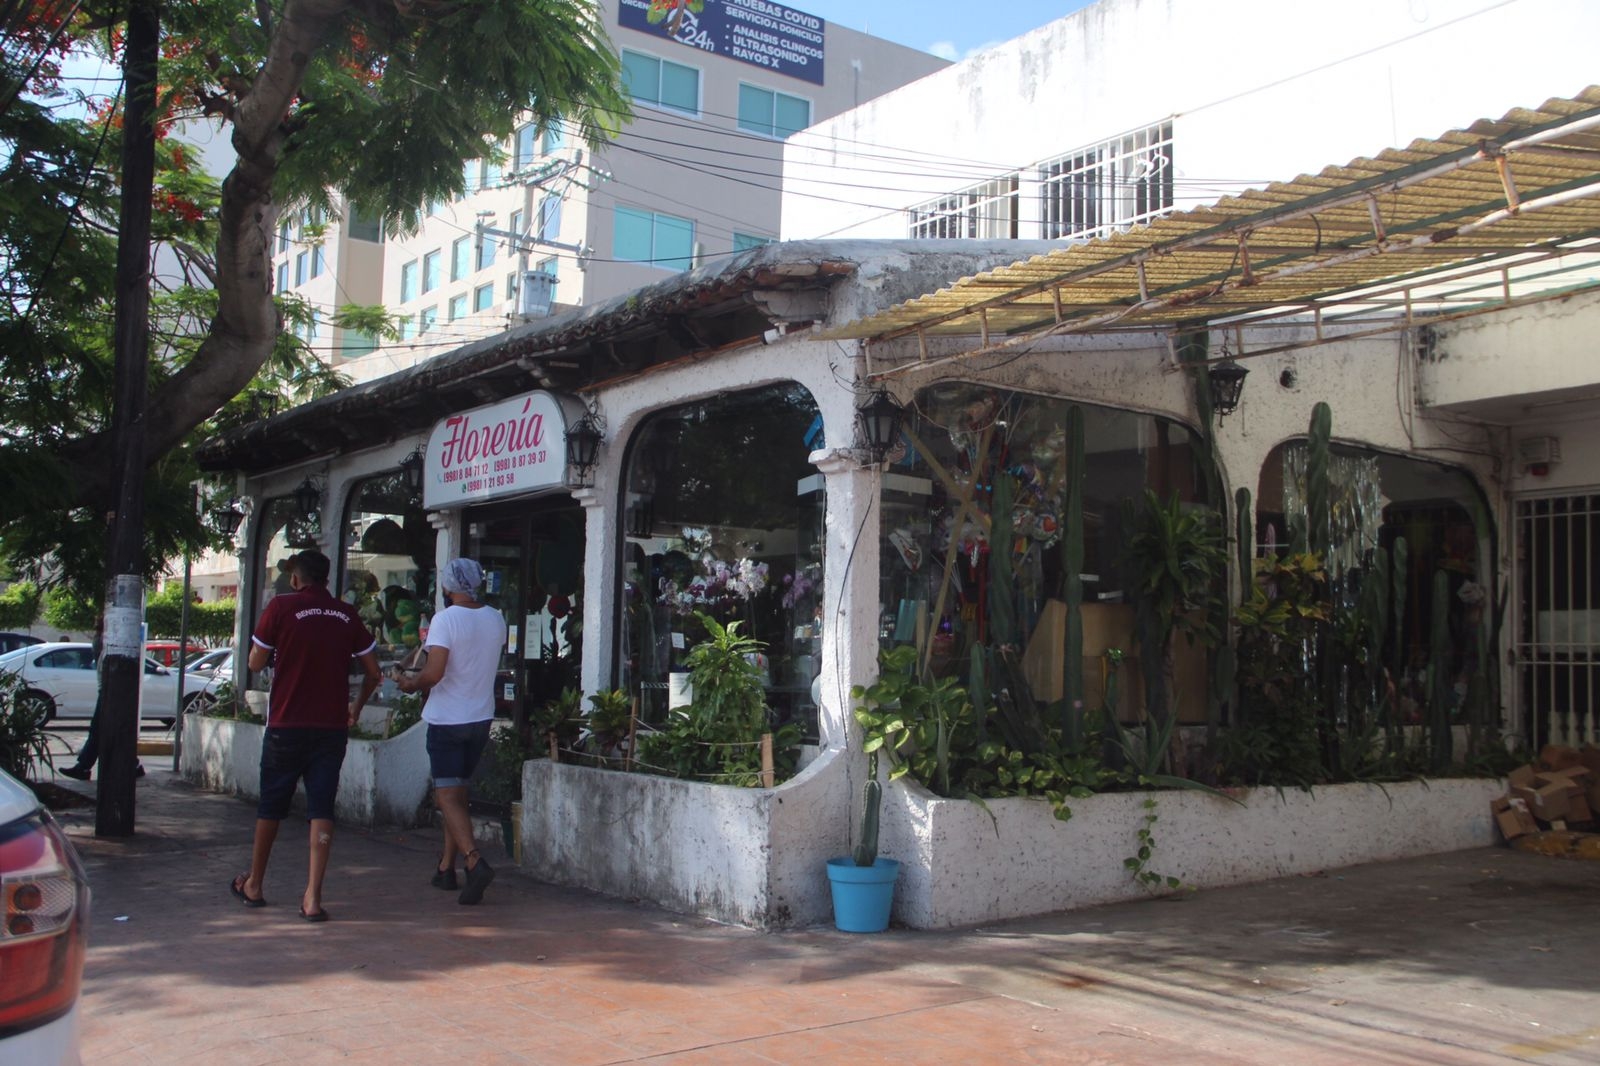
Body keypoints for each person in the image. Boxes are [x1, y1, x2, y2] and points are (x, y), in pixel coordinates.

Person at [231, 550, 380, 922]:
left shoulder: (280, 608)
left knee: (271, 806)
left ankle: (255, 884)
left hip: (286, 724)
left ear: (296, 578)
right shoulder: (346, 614)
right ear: (325, 579)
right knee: (321, 808)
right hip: (330, 728)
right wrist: (355, 708)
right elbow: (374, 672)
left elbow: (254, 662)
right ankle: (313, 897)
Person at [396, 558, 507, 905]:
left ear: (449, 587)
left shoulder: (445, 620)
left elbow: (433, 674)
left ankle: (474, 861)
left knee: (446, 796)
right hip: (480, 717)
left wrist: (409, 683)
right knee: (457, 796)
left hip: (447, 719)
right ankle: (446, 868)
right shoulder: (496, 618)